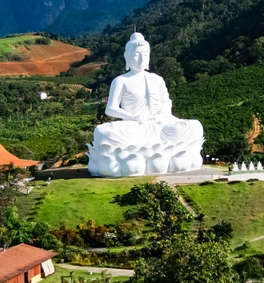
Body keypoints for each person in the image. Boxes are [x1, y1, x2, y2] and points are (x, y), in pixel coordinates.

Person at [87, 33, 203, 176]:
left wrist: (163, 116)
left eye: (145, 54)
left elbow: (166, 102)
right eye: (137, 54)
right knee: (103, 132)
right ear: (127, 56)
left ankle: (141, 156)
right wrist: (133, 117)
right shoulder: (121, 80)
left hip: (160, 125)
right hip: (135, 126)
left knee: (194, 126)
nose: (142, 59)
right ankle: (164, 157)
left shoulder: (157, 79)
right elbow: (110, 109)